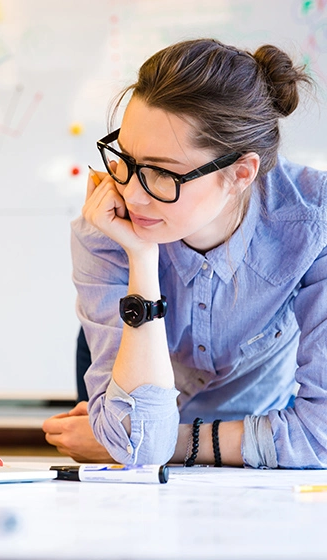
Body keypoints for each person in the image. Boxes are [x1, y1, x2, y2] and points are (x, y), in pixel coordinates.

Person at [42, 38, 327, 469]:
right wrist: (141, 257)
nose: (133, 195)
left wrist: (171, 442)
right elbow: (134, 443)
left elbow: (319, 437)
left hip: (263, 443)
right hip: (142, 407)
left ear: (240, 173)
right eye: (127, 159)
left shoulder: (312, 222)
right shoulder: (107, 225)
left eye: (161, 172)